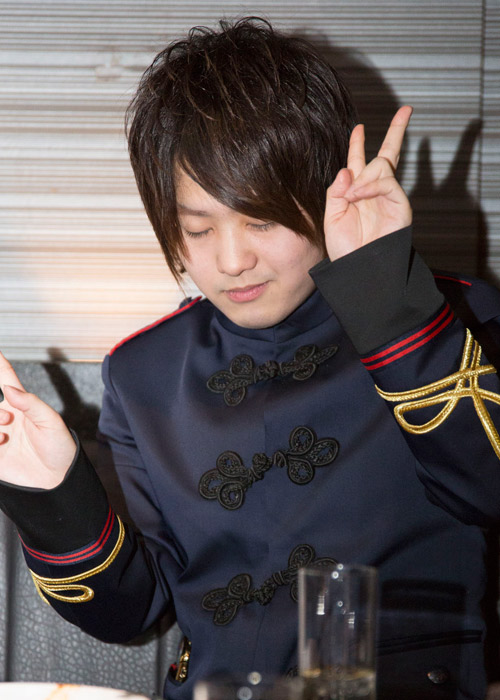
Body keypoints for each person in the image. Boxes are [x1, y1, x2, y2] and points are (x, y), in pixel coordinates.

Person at [0, 17, 499, 700]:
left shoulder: (448, 315)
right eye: (198, 228)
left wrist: (386, 303)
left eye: (261, 220)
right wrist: (53, 493)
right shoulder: (145, 371)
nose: (231, 260)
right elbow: (129, 613)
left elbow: (488, 488)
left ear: (324, 190)